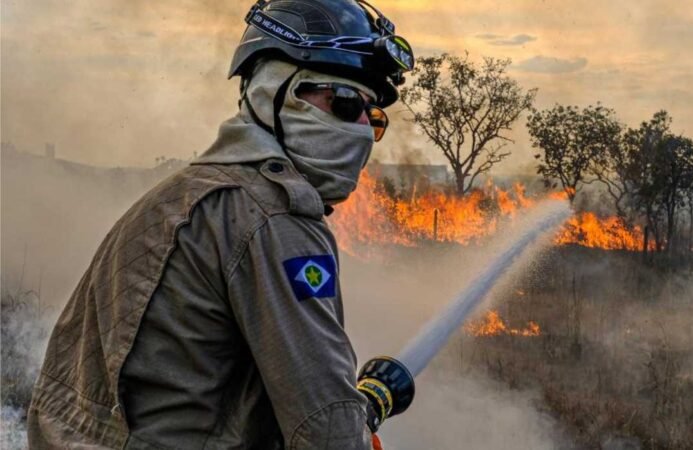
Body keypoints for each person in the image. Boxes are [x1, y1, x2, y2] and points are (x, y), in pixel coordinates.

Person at [26, 0, 413, 448]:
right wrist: (352, 425)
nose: (363, 128)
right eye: (344, 103)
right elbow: (329, 433)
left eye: (373, 116)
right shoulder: (272, 217)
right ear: (273, 93)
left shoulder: (175, 197)